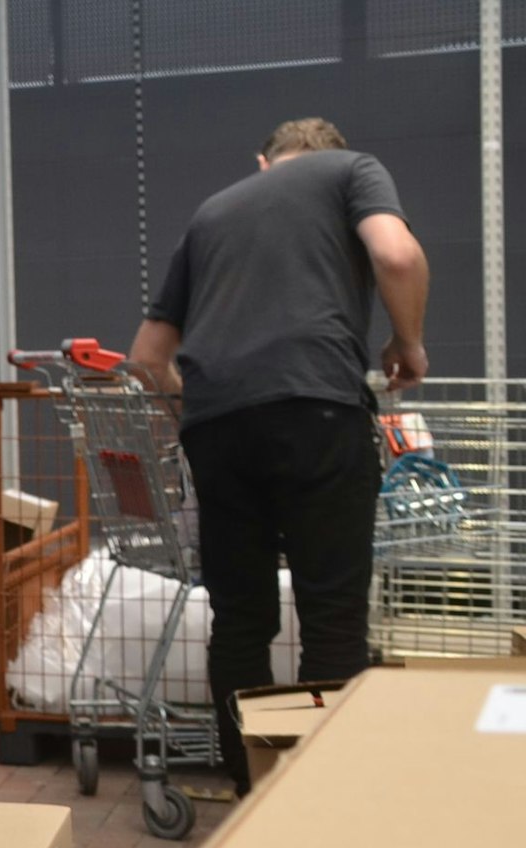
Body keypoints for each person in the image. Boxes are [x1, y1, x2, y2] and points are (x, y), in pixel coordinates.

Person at [130, 117, 428, 796]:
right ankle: (320, 799)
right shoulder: (353, 170)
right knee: (332, 617)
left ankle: (253, 791)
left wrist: (207, 406)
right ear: (329, 154)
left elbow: (146, 360)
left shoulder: (211, 212)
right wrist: (408, 343)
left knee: (240, 621)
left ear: (265, 162)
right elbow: (397, 256)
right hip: (317, 408)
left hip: (217, 428)